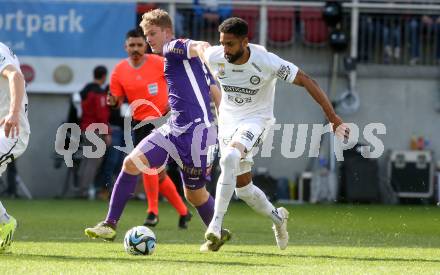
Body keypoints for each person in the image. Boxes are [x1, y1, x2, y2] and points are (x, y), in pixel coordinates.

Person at [195, 17, 350, 250]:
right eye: (223, 43)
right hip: (228, 123)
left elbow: (307, 80)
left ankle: (215, 226)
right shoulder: (216, 56)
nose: (225, 49)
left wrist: (333, 118)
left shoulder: (266, 61)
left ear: (245, 42)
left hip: (257, 120)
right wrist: (184, 45)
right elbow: (200, 48)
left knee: (229, 158)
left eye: (230, 44)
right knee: (244, 190)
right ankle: (278, 218)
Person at [85, 9, 228, 251]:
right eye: (145, 34)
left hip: (197, 135)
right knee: (131, 163)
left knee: (194, 194)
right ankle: (109, 224)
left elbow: (200, 45)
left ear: (167, 32)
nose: (149, 39)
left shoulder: (173, 48)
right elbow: (214, 91)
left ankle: (217, 231)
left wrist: (207, 52)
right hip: (175, 128)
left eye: (152, 33)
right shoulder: (185, 62)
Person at [0, 42, 31, 252]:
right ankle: (4, 222)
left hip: (11, 131)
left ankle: (4, 222)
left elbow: (16, 76)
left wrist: (12, 112)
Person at [77, 65, 111, 199]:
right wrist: (107, 132)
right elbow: (101, 115)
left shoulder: (85, 92)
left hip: (85, 128)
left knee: (86, 161)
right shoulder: (98, 94)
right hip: (96, 130)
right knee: (93, 162)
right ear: (104, 76)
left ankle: (81, 188)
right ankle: (84, 190)